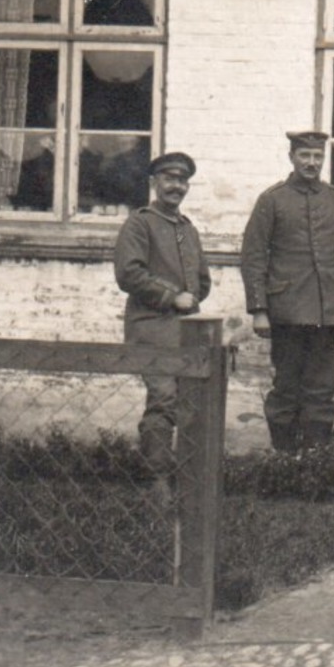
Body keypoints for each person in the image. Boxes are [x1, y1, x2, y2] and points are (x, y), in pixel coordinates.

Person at [240, 131, 334, 455]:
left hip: (329, 310)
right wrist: (259, 309)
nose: (312, 163)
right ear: (292, 157)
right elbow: (253, 254)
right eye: (305, 156)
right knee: (286, 389)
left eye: (317, 156)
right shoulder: (272, 200)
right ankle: (285, 460)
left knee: (322, 391)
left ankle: (314, 463)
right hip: (288, 312)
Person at [113, 151, 212, 480]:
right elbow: (129, 274)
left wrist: (194, 295)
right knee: (164, 398)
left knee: (189, 401)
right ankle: (156, 480)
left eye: (183, 180)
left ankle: (185, 477)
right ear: (154, 183)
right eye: (169, 179)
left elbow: (200, 279)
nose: (177, 186)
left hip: (186, 331)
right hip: (152, 327)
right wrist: (173, 297)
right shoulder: (140, 223)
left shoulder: (185, 228)